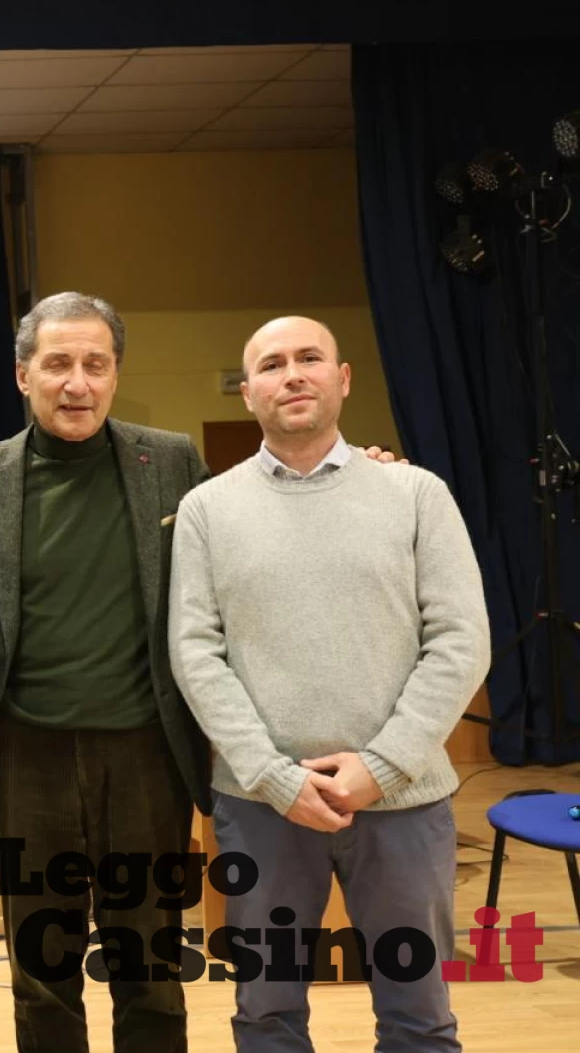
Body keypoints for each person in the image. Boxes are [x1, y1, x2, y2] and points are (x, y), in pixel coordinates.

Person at [169, 316, 490, 1051]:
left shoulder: (417, 494)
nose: (293, 374)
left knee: (419, 1013)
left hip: (403, 801)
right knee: (267, 1014)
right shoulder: (206, 510)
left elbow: (462, 642)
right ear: (248, 392)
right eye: (273, 364)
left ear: (342, 379)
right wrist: (276, 778)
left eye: (310, 358)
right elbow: (194, 654)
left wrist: (380, 768)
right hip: (261, 805)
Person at [0, 291, 214, 1051]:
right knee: (42, 969)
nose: (77, 383)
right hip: (27, 758)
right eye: (57, 364)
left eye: (96, 364)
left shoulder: (175, 461)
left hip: (148, 753)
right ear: (23, 375)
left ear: (116, 373)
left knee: (152, 965)